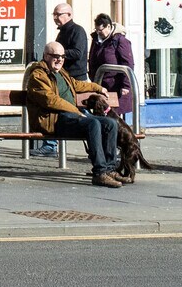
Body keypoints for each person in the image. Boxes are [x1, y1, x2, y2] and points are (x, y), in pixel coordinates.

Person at [22, 41, 123, 187]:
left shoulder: (61, 72)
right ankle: (100, 173)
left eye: (62, 56)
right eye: (55, 56)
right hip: (55, 119)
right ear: (46, 56)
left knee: (110, 123)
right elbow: (50, 100)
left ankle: (110, 169)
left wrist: (98, 88)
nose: (60, 60)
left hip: (71, 116)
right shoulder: (38, 75)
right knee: (93, 123)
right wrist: (75, 111)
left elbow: (76, 84)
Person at [89, 13, 136, 119]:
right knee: (101, 114)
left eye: (101, 30)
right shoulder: (96, 40)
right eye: (96, 30)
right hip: (100, 84)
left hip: (115, 86)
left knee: (114, 117)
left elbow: (127, 63)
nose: (98, 33)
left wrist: (126, 85)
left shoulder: (120, 40)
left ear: (109, 27)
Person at [52, 4, 91, 81]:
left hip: (77, 78)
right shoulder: (62, 32)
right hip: (64, 76)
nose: (55, 18)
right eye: (54, 14)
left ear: (69, 15)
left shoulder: (78, 30)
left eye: (58, 14)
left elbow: (77, 53)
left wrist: (57, 53)